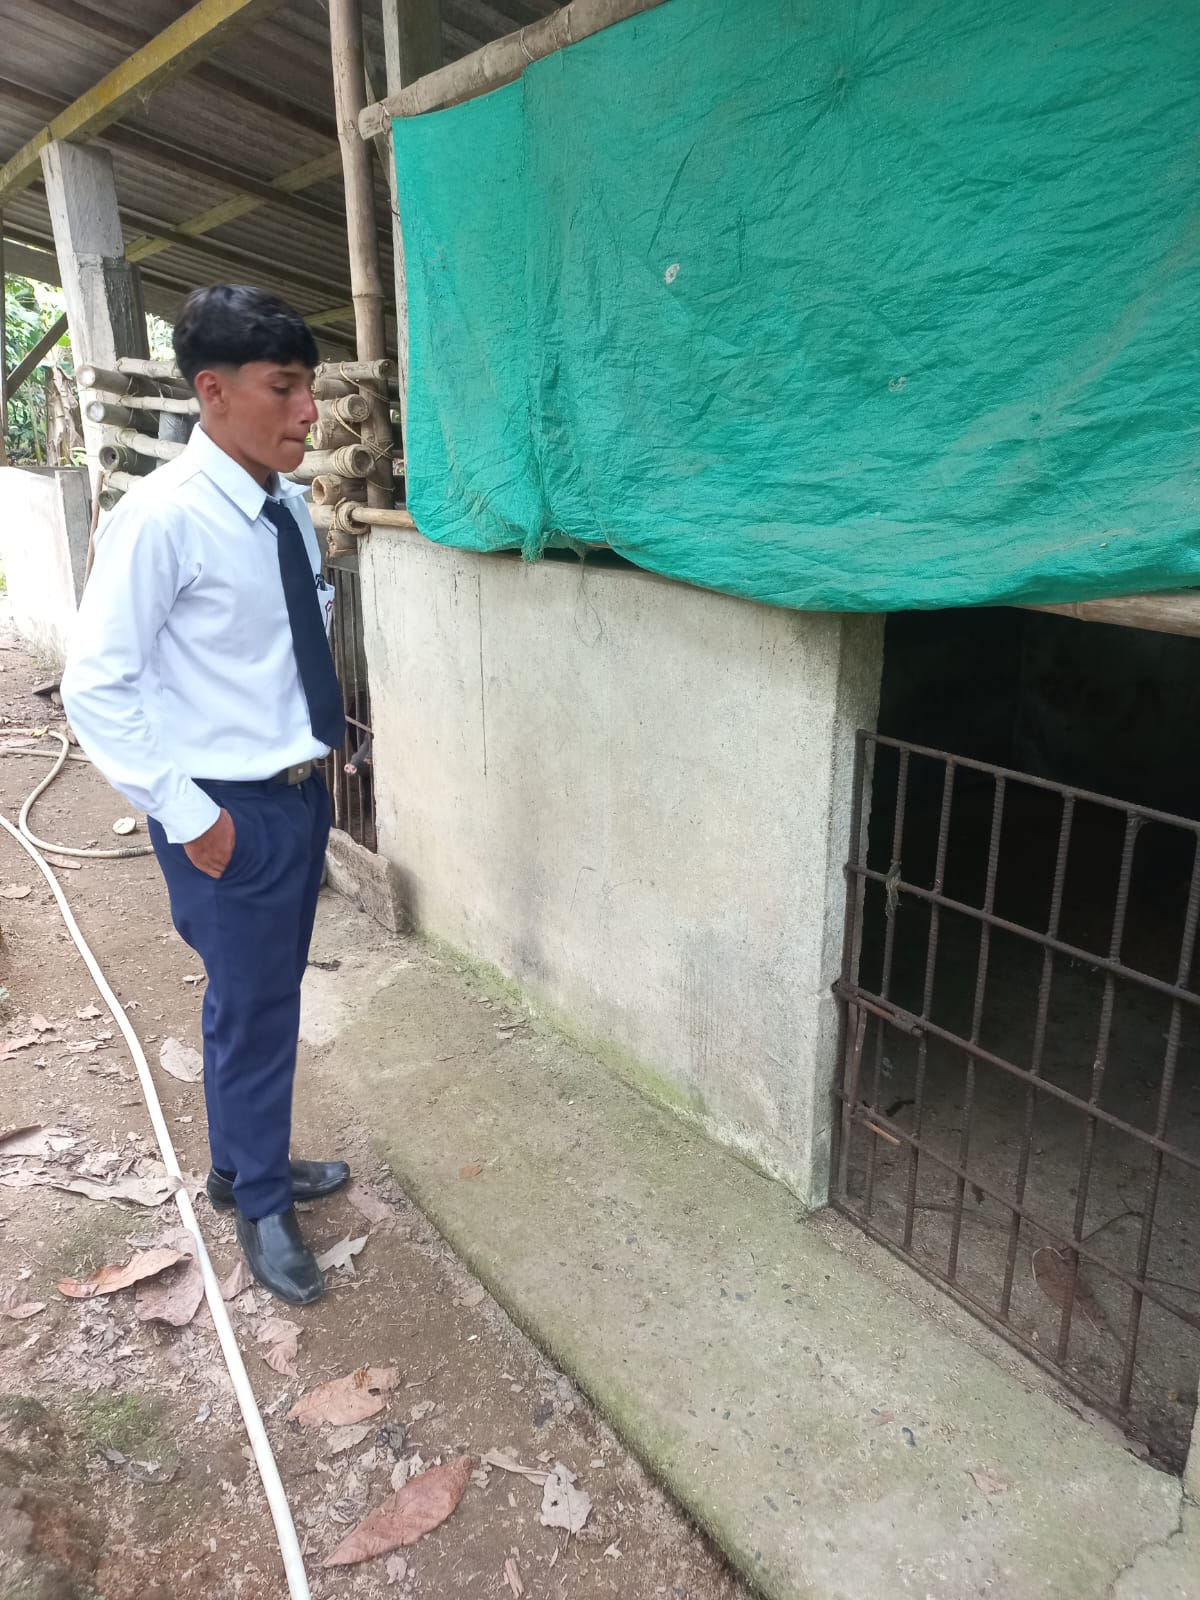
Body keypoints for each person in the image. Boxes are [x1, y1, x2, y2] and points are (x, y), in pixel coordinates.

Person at [62, 284, 351, 1306]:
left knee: (257, 996)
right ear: (214, 391)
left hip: (296, 794)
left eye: (309, 387)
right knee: (258, 1003)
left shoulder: (282, 508)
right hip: (227, 811)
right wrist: (194, 818)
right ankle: (260, 1203)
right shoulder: (164, 518)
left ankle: (242, 1164)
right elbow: (97, 685)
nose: (308, 411)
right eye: (285, 387)